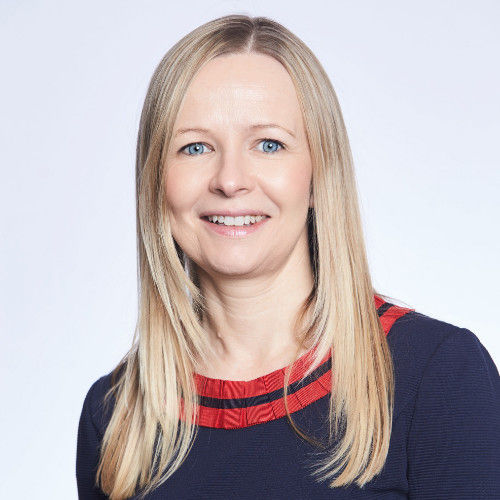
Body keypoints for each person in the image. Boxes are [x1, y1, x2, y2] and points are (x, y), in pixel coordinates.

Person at [76, 14, 500, 500]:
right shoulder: (116, 417)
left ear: (318, 176)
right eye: (194, 147)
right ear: (155, 182)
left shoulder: (439, 377)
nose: (229, 180)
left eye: (269, 144)